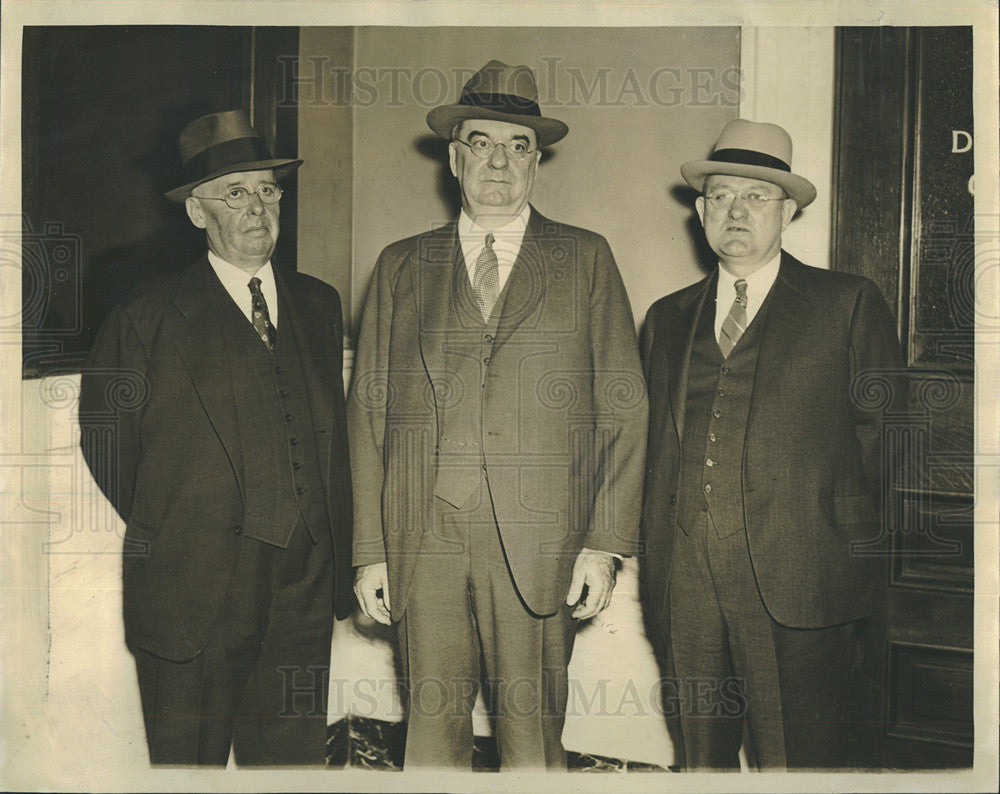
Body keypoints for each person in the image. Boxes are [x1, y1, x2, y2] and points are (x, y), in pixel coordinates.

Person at [348, 60, 647, 770]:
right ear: (455, 159)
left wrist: (603, 544)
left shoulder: (585, 260)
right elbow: (368, 414)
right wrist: (370, 550)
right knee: (429, 742)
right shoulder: (400, 267)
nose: (499, 163)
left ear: (537, 163)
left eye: (519, 147)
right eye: (482, 143)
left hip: (541, 541)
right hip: (425, 539)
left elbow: (625, 408)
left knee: (532, 746)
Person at [79, 109, 353, 765]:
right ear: (199, 213)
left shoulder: (320, 304)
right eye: (237, 193)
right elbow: (107, 443)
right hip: (196, 587)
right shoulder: (145, 316)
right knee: (189, 767)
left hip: (305, 581)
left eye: (268, 190)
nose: (258, 208)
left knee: (288, 766)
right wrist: (183, 520)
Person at [640, 119, 907, 770]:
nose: (736, 211)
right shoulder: (666, 318)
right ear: (701, 210)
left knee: (798, 766)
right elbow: (649, 455)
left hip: (800, 590)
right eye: (722, 195)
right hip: (688, 588)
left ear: (788, 211)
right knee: (701, 762)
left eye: (756, 197)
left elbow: (888, 448)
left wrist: (834, 550)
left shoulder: (846, 304)